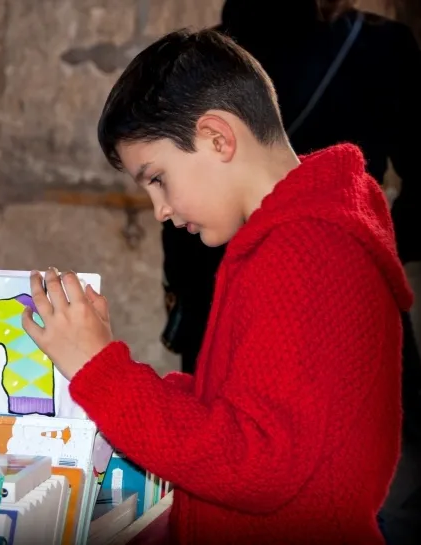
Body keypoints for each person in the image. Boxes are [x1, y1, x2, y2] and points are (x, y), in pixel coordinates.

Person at [21, 29, 411, 544]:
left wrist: (102, 370)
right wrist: (107, 368)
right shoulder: (298, 235)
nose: (160, 210)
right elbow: (246, 409)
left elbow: (255, 464)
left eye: (157, 178)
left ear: (217, 138)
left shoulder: (303, 251)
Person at [162, 0, 420, 377]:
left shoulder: (198, 62)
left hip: (232, 297)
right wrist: (364, 251)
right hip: (335, 290)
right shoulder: (380, 43)